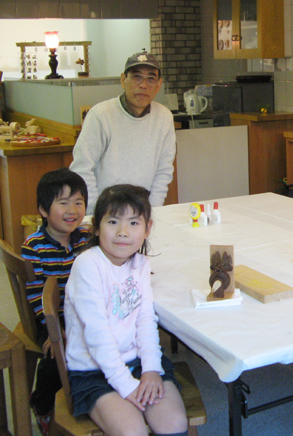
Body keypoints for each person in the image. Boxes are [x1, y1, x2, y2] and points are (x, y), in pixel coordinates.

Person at [64, 185, 188, 436]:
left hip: (137, 362)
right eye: (113, 222)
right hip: (94, 370)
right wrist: (125, 384)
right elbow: (97, 333)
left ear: (147, 229)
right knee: (132, 431)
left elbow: (145, 319)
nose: (123, 232)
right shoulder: (87, 265)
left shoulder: (140, 263)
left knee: (174, 423)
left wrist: (151, 368)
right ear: (96, 227)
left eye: (133, 223)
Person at [21, 168, 91, 435]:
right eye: (63, 203)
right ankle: (42, 403)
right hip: (48, 315)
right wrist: (53, 329)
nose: (72, 210)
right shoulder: (34, 246)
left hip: (80, 310)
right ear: (43, 209)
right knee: (56, 353)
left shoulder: (86, 239)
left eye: (78, 202)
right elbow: (35, 294)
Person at [70, 51, 176, 214]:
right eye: (136, 77)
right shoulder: (100, 115)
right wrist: (96, 213)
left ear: (158, 85)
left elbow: (164, 171)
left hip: (142, 211)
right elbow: (81, 168)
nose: (143, 85)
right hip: (105, 211)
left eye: (150, 79)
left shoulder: (164, 117)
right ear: (123, 80)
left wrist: (152, 211)